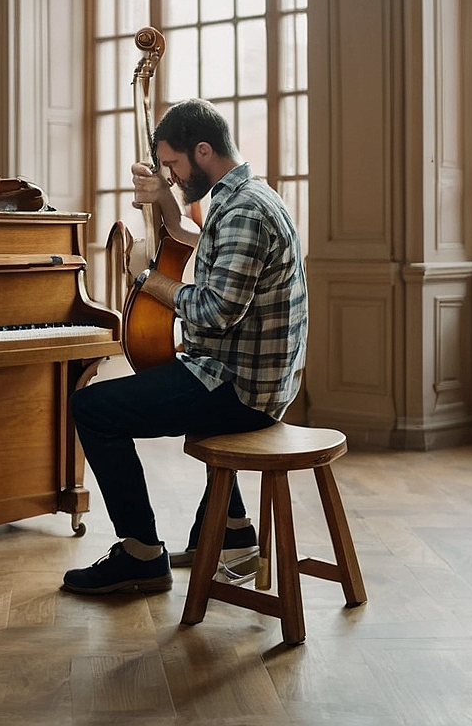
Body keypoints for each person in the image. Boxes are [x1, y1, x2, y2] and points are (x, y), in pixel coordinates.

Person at [62, 98, 307, 595]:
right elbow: (198, 238)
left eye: (173, 165)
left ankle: (140, 554)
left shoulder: (245, 211)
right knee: (165, 379)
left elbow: (216, 310)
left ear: (202, 150)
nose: (170, 175)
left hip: (238, 390)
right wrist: (165, 203)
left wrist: (146, 279)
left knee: (91, 408)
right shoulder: (246, 197)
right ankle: (233, 532)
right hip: (248, 378)